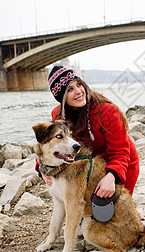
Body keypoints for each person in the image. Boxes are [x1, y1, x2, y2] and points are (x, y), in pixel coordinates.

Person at [36, 65, 139, 198]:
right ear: (61, 97)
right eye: (70, 89)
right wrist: (42, 167)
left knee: (114, 211)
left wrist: (112, 176)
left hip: (120, 164)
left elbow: (120, 151)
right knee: (90, 213)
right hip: (89, 167)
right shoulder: (59, 115)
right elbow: (48, 144)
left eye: (79, 84)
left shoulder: (107, 111)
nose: (78, 91)